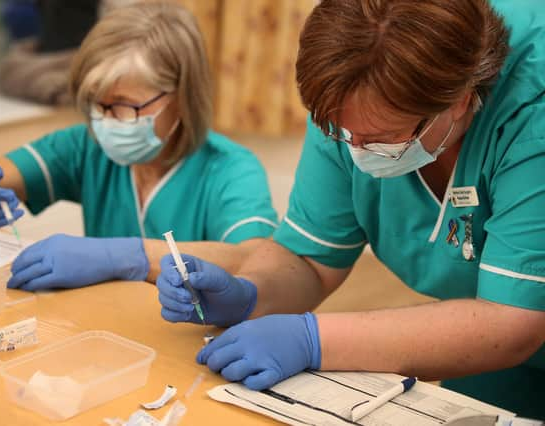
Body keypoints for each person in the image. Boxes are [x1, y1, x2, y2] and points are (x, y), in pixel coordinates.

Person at [156, 0, 545, 417]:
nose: (356, 152)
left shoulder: (531, 116)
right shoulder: (351, 95)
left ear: (459, 102)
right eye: (341, 132)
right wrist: (251, 291)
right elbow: (310, 258)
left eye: (381, 138)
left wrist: (313, 339)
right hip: (491, 342)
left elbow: (511, 320)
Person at [0, 2, 277, 290]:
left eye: (124, 104)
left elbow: (254, 260)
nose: (106, 120)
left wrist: (129, 258)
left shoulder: (230, 169)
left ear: (183, 97)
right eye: (96, 104)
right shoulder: (85, 147)